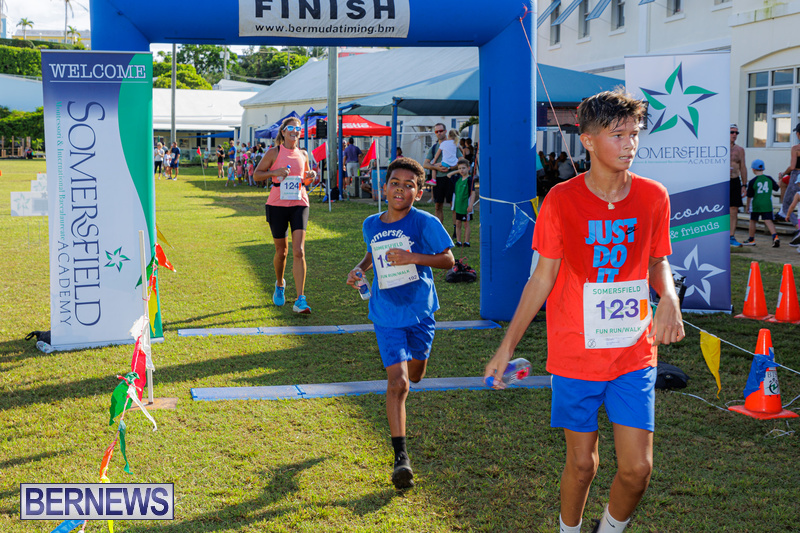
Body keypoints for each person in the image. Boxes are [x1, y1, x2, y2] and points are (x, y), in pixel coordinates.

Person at [484, 90, 684, 533]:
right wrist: (506, 347)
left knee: (637, 470)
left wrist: (668, 297)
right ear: (588, 140)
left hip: (634, 352)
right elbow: (541, 279)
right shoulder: (561, 199)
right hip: (576, 353)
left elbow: (657, 261)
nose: (630, 144)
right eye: (618, 135)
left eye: (634, 134)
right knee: (582, 466)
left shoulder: (654, 196)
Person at [346, 157, 454, 489]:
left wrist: (413, 257)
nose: (400, 190)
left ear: (418, 193)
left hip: (420, 311)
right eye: (395, 183)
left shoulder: (425, 222)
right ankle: (401, 458)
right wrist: (360, 268)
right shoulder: (371, 223)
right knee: (399, 384)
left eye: (409, 186)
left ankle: (413, 369)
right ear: (384, 186)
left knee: (416, 374)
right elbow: (371, 253)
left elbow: (449, 260)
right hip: (386, 313)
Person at [253, 117, 317, 314]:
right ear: (283, 131)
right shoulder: (274, 152)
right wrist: (275, 171)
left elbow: (305, 181)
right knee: (282, 252)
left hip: (299, 203)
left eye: (298, 129)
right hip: (277, 205)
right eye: (291, 128)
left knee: (299, 251)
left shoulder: (303, 154)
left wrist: (311, 177)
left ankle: (300, 299)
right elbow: (257, 174)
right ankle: (280, 283)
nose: (295, 131)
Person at [423, 123, 462, 236]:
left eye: (441, 131)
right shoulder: (434, 148)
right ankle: (439, 231)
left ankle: (455, 232)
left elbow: (462, 161)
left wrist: (450, 168)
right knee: (437, 206)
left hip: (452, 178)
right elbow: (425, 164)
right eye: (436, 131)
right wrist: (436, 167)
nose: (439, 133)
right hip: (438, 179)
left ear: (445, 131)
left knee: (453, 205)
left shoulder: (453, 144)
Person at [743, 159, 780, 247]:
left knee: (753, 221)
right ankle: (775, 237)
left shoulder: (753, 181)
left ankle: (751, 239)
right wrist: (780, 179)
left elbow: (749, 196)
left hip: (756, 204)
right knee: (768, 221)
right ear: (763, 169)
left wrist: (747, 206)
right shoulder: (769, 178)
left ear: (753, 169)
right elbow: (776, 188)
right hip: (767, 204)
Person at [446, 158, 477, 247]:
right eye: (459, 168)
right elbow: (448, 175)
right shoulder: (457, 179)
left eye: (463, 168)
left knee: (466, 224)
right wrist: (458, 171)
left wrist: (471, 205)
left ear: (468, 168)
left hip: (465, 206)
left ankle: (467, 242)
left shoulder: (470, 180)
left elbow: (473, 193)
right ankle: (459, 241)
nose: (461, 170)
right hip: (458, 206)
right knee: (458, 223)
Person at [776, 123, 800, 227]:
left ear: (798, 134)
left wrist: (783, 173)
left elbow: (792, 167)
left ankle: (798, 227)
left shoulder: (796, 148)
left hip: (797, 176)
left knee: (786, 206)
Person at [729, 124, 747, 246]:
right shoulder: (719, 148)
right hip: (722, 182)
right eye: (732, 132)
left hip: (735, 180)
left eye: (736, 132)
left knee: (734, 209)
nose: (734, 134)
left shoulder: (740, 150)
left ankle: (731, 236)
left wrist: (744, 185)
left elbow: (743, 167)